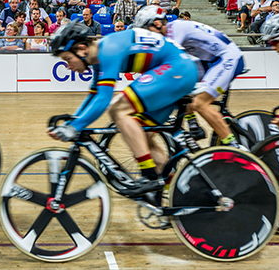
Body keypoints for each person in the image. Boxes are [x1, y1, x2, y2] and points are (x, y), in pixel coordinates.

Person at [48, 20, 198, 195]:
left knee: (118, 109)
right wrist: (73, 121)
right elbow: (94, 94)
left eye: (67, 59)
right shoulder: (98, 55)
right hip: (178, 70)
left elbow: (104, 99)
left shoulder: (108, 50)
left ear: (81, 49)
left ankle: (149, 175)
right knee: (142, 136)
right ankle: (178, 191)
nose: (68, 66)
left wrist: (74, 127)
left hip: (177, 69)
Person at [134, 6, 245, 149]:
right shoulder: (169, 31)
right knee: (181, 85)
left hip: (227, 58)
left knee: (200, 103)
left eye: (147, 31)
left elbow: (168, 63)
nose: (149, 36)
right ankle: (194, 126)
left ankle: (236, 147)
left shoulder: (175, 31)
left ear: (157, 23)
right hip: (211, 61)